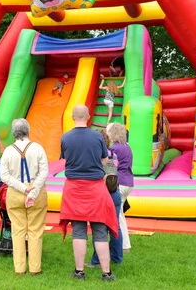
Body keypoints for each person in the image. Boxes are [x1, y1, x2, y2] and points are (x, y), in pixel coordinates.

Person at [59, 105, 119, 282]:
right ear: (89, 116)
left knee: (78, 230)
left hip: (74, 188)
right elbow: (105, 161)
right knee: (100, 230)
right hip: (95, 188)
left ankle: (79, 272)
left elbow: (66, 159)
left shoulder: (65, 137)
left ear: (72, 117)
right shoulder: (97, 137)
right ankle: (106, 273)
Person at [0, 118, 48, 276]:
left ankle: (19, 269)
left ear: (13, 133)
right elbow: (43, 173)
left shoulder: (8, 151)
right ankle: (35, 268)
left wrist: (22, 189)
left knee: (18, 231)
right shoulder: (38, 148)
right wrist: (31, 191)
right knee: (35, 230)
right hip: (36, 191)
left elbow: (4, 176)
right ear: (28, 131)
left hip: (15, 194)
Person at [89, 131, 123, 267]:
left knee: (99, 228)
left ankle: (96, 260)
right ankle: (117, 257)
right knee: (115, 227)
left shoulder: (95, 157)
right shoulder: (113, 155)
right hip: (115, 193)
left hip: (101, 194)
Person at [107, 123, 134, 252]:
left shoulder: (114, 149)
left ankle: (123, 245)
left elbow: (110, 168)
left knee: (118, 216)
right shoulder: (126, 147)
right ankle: (123, 244)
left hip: (120, 182)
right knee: (120, 214)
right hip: (128, 182)